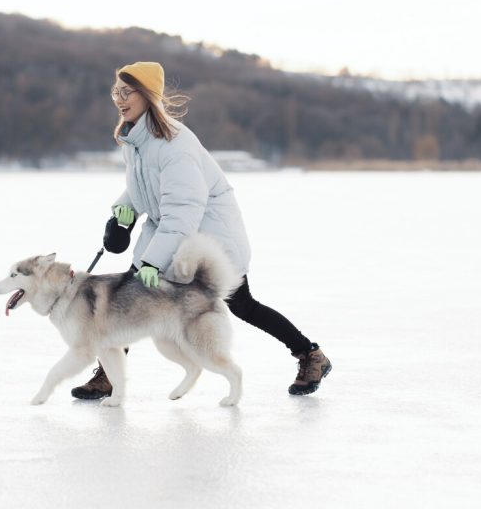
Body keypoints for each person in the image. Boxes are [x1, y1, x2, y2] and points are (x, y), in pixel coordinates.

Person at [71, 61, 331, 400]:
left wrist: (151, 262)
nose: (119, 99)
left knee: (242, 305)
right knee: (127, 300)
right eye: (115, 92)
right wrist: (123, 214)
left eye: (126, 92)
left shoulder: (175, 144)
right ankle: (107, 377)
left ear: (148, 95)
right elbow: (141, 186)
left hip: (211, 238)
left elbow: (184, 210)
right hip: (170, 232)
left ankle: (310, 355)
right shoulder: (135, 139)